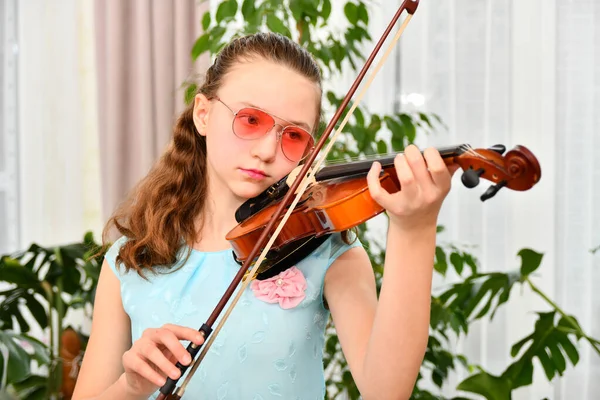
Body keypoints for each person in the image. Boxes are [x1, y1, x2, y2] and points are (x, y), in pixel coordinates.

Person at [72, 32, 457, 400]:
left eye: (293, 136)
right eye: (251, 120)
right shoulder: (132, 257)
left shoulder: (326, 253)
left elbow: (386, 391)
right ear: (203, 115)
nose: (267, 151)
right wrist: (132, 387)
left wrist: (414, 229)